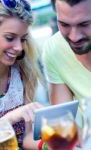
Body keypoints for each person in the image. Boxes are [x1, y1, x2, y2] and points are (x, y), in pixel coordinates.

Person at [0, 0, 44, 149]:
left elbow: (27, 139)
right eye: (10, 37)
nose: (19, 47)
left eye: (23, 39)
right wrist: (9, 119)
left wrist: (49, 145)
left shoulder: (24, 72)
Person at [42, 0, 91, 132]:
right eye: (64, 24)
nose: (74, 37)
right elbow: (63, 125)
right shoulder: (54, 49)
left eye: (84, 24)